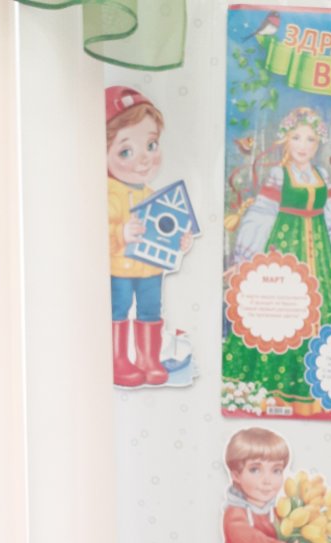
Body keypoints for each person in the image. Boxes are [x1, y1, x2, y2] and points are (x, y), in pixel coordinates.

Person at [223, 106, 331, 414]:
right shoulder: (279, 175)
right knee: (281, 321)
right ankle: (271, 392)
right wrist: (245, 259)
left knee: (323, 314)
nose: (303, 146)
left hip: (319, 257)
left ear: (318, 145)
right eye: (297, 138)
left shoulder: (321, 176)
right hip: (284, 252)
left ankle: (320, 394)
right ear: (286, 140)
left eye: (311, 140)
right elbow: (261, 215)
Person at [106, 85, 193, 389]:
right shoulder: (107, 195)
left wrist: (180, 242)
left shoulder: (152, 194)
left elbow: (166, 227)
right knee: (117, 309)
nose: (143, 160)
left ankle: (148, 359)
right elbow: (93, 235)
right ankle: (117, 359)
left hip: (150, 268)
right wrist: (121, 233)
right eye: (126, 151)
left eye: (151, 145)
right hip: (119, 268)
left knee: (150, 310)